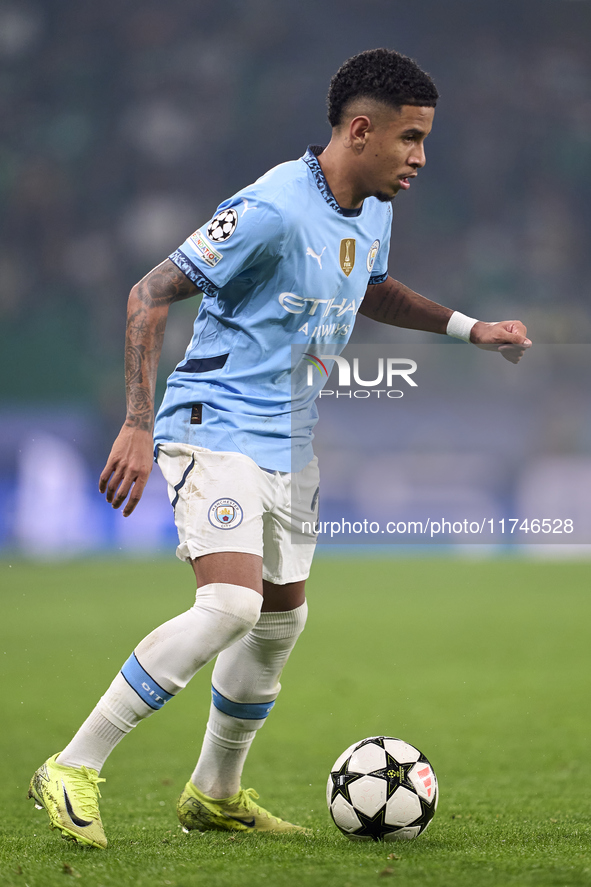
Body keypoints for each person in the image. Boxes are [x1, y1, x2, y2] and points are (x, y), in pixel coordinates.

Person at [28, 48, 531, 849]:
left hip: (289, 443)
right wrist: (134, 418)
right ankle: (72, 764)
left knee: (279, 623)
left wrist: (472, 330)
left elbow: (369, 285)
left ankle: (212, 793)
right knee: (230, 604)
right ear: (360, 130)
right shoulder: (271, 205)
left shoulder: (373, 207)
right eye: (410, 138)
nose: (420, 158)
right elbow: (150, 290)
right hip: (212, 422)